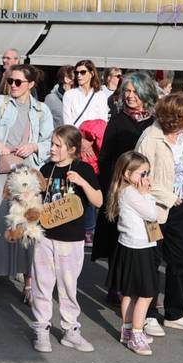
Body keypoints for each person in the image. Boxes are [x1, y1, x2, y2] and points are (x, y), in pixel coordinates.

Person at [0, 65, 53, 306]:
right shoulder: (0, 103)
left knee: (27, 225)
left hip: (28, 174)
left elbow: (51, 141)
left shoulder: (41, 110)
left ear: (31, 84)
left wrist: (35, 146)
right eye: (11, 81)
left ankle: (29, 283)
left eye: (19, 82)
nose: (13, 86)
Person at [136, 92, 183, 337]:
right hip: (154, 209)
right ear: (176, 117)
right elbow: (139, 175)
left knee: (180, 259)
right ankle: (149, 314)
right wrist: (168, 197)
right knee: (152, 261)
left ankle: (176, 313)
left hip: (181, 207)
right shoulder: (150, 138)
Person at [30, 124, 102, 353]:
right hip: (45, 236)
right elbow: (34, 200)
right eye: (52, 143)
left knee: (68, 286)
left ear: (72, 149)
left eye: (57, 145)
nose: (52, 148)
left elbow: (99, 201)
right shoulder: (46, 168)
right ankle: (42, 328)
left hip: (71, 239)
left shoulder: (84, 169)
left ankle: (70, 329)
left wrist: (81, 182)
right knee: (42, 283)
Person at [91, 71, 158, 291]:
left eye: (134, 91)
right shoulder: (119, 119)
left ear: (145, 92)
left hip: (147, 189)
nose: (129, 96)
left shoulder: (155, 122)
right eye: (126, 91)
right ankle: (117, 287)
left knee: (148, 237)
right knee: (118, 239)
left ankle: (142, 287)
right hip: (121, 189)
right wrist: (116, 185)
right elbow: (105, 157)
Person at [105, 151, 159, 356]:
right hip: (138, 248)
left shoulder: (126, 191)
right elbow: (152, 215)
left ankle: (128, 330)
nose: (146, 178)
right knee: (145, 294)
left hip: (130, 246)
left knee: (129, 292)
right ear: (127, 174)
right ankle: (136, 334)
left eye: (147, 173)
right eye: (142, 174)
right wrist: (147, 194)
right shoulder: (132, 193)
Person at [63, 59, 110, 244]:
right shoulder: (70, 95)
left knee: (93, 184)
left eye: (83, 72)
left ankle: (91, 227)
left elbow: (102, 121)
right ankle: (78, 224)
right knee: (75, 184)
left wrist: (91, 141)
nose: (79, 75)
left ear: (92, 73)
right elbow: (68, 122)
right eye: (77, 72)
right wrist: (81, 140)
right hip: (74, 143)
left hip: (95, 145)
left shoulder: (100, 95)